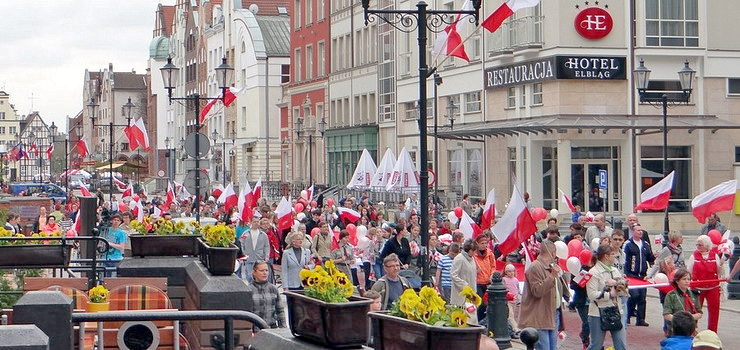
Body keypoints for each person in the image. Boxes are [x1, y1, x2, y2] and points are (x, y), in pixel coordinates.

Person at [518, 240, 569, 350]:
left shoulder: (551, 267)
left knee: (552, 347)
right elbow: (537, 291)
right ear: (553, 253)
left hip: (552, 314)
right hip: (540, 317)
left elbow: (558, 289)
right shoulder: (535, 267)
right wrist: (551, 276)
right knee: (544, 347)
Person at [586, 244, 628, 350]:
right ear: (606, 256)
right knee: (596, 345)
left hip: (616, 311)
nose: (615, 256)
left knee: (621, 345)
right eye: (613, 254)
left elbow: (625, 292)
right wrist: (609, 294)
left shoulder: (615, 270)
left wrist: (618, 286)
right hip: (597, 313)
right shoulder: (594, 272)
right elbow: (591, 295)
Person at [687, 234, 725, 333]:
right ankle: (692, 330)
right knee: (694, 310)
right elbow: (689, 271)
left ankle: (712, 332)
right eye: (697, 245)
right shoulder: (694, 256)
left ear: (707, 245)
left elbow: (719, 272)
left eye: (700, 245)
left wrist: (721, 265)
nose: (698, 247)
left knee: (714, 311)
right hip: (697, 288)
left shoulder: (714, 255)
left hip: (713, 287)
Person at [624, 223, 655, 327]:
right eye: (638, 230)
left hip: (642, 275)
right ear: (633, 232)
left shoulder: (645, 244)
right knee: (634, 295)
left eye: (641, 230)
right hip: (631, 274)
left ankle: (641, 319)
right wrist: (625, 273)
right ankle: (628, 316)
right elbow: (624, 259)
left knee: (642, 297)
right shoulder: (628, 244)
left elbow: (649, 258)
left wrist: (654, 256)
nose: (640, 232)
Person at [663, 268, 702, 336]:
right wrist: (680, 321)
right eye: (684, 279)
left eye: (688, 279)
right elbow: (666, 315)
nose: (687, 281)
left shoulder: (694, 294)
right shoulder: (671, 295)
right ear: (677, 281)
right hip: (675, 330)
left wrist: (690, 319)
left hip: (690, 330)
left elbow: (699, 313)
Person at [250, 261, 285, 329]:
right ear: (254, 272)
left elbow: (280, 310)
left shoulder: (273, 289)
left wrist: (283, 327)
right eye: (261, 270)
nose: (264, 273)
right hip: (256, 330)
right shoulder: (249, 290)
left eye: (266, 270)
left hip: (272, 329)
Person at [451, 239, 478, 324]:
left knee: (472, 317)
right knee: (462, 319)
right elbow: (453, 275)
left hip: (471, 294)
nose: (475, 253)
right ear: (469, 250)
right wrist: (464, 285)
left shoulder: (472, 259)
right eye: (474, 251)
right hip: (460, 295)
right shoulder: (459, 258)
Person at [473, 232, 496, 322]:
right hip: (478, 282)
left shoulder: (490, 254)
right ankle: (479, 321)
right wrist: (475, 271)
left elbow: (493, 266)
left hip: (488, 282)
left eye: (486, 243)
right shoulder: (474, 255)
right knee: (481, 303)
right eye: (482, 243)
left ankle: (485, 321)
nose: (484, 245)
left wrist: (492, 274)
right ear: (477, 244)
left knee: (488, 303)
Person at [240, 214, 270, 282]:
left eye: (257, 222)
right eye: (254, 222)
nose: (256, 223)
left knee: (259, 277)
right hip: (249, 259)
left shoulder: (263, 235)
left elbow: (266, 246)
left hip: (259, 258)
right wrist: (243, 255)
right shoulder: (245, 234)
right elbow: (241, 244)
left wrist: (266, 256)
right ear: (250, 222)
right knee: (249, 276)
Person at [502, 264, 521, 338]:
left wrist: (518, 297)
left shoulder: (515, 280)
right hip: (508, 300)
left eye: (512, 271)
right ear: (506, 272)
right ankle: (515, 328)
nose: (511, 273)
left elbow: (518, 289)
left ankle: (512, 327)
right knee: (510, 314)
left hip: (515, 300)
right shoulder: (504, 279)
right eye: (509, 271)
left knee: (514, 314)